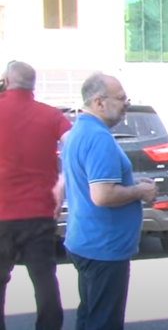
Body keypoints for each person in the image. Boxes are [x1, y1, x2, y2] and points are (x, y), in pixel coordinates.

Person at [61, 73, 157, 330]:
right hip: (103, 247)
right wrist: (140, 191)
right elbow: (102, 195)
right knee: (104, 322)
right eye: (121, 98)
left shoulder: (78, 130)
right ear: (99, 103)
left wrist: (131, 184)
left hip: (86, 241)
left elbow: (88, 182)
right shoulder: (98, 137)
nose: (126, 103)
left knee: (89, 316)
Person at [0, 61, 70, 330]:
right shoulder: (51, 115)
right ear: (33, 85)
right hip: (39, 213)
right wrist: (62, 182)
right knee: (44, 279)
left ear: (6, 81)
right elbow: (76, 146)